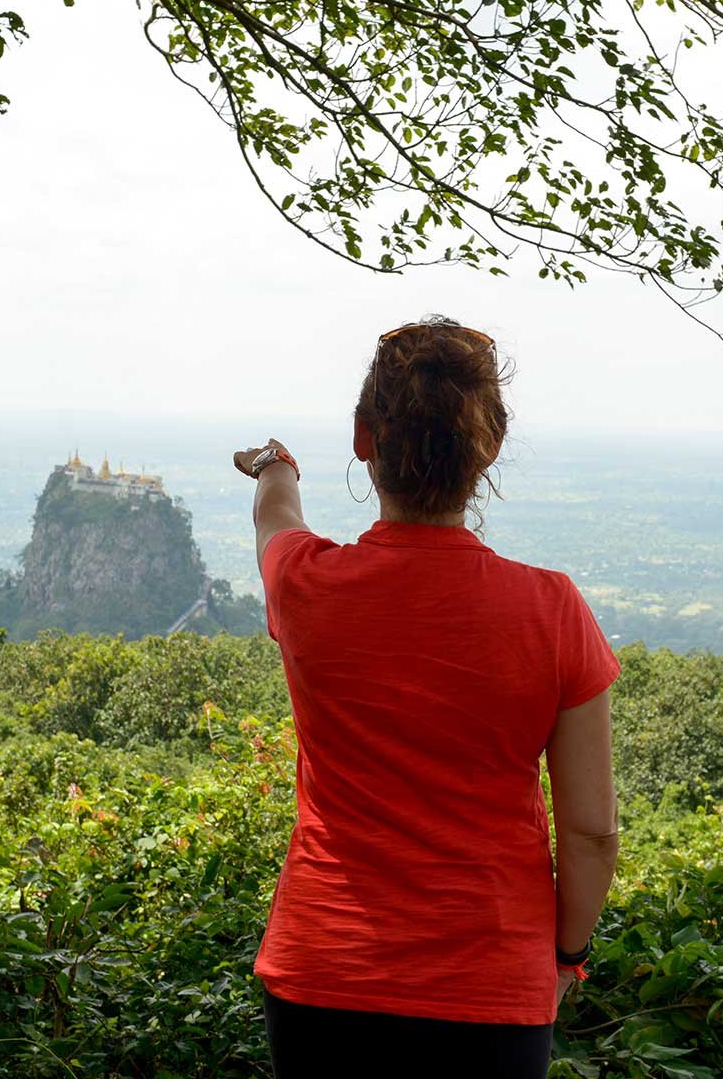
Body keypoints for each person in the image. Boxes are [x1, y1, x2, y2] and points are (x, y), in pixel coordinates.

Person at [230, 315, 622, 1079]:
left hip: (324, 973)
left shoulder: (308, 585)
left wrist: (276, 463)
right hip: (491, 984)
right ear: (490, 448)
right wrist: (567, 954)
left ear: (363, 437)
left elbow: (274, 514)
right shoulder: (552, 611)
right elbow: (590, 832)